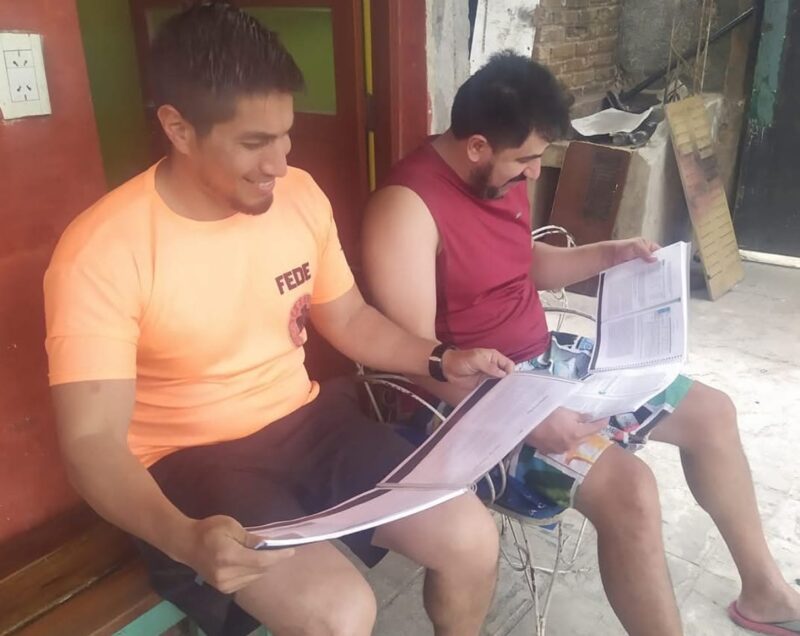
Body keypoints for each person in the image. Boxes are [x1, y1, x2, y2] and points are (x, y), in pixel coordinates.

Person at [43, 5, 517, 636]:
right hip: (191, 459)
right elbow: (91, 442)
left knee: (471, 537)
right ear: (179, 128)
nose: (278, 163)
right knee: (341, 612)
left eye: (285, 135)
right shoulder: (103, 250)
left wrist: (440, 358)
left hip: (308, 421)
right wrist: (182, 538)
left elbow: (350, 318)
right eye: (253, 142)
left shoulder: (299, 195)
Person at [362, 51, 800, 636]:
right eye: (526, 160)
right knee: (630, 490)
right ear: (476, 146)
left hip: (547, 364)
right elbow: (419, 362)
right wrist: (525, 419)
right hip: (467, 408)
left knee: (712, 413)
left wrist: (607, 255)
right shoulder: (406, 209)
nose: (534, 174)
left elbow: (521, 263)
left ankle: (766, 593)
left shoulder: (499, 173)